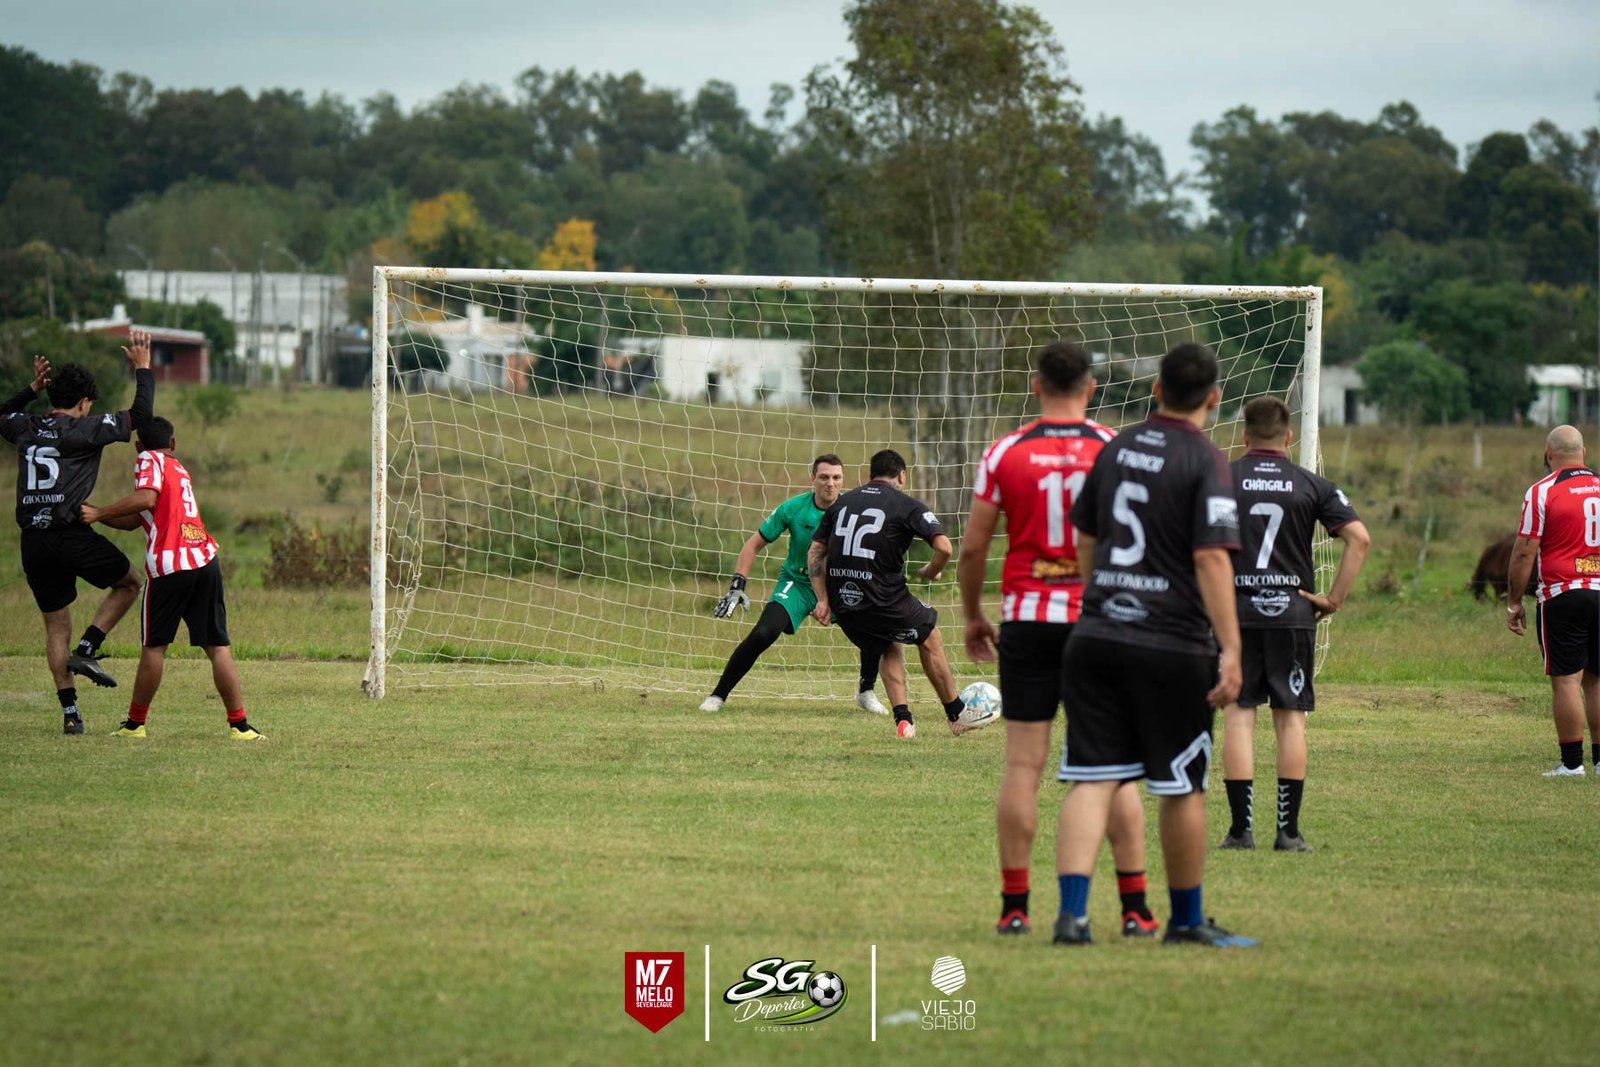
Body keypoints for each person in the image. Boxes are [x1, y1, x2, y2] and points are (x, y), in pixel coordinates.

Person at [1054, 342, 1255, 947]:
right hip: (1172, 642)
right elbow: (1211, 558)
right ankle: (1186, 921)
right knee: (1180, 784)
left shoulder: (1115, 447)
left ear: (1157, 389)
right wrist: (1232, 648)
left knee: (1092, 779)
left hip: (1097, 634)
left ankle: (1072, 918)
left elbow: (1085, 536)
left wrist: (1102, 596)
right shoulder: (1207, 459)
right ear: (1214, 398)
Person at [958, 340, 1158, 938]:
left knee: (1023, 764)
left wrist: (972, 615)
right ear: (1091, 388)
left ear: (1037, 386)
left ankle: (1014, 907)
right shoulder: (1114, 449)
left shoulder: (1006, 452)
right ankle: (1134, 908)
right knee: (1113, 767)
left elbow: (973, 547)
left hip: (1028, 620)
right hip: (1097, 622)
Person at [1219, 397, 1370, 852]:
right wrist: (1334, 599)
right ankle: (1287, 833)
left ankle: (1241, 831)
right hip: (1293, 612)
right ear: (1288, 437)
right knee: (1290, 721)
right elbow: (1359, 539)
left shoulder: (1222, 478)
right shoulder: (1312, 484)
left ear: (1245, 436)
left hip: (1237, 610)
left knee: (1238, 717)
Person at [1, 332, 155, 734]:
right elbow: (141, 414)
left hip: (33, 541)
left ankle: (71, 716)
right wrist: (142, 369)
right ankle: (87, 649)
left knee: (56, 625)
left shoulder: (26, 426)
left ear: (52, 396)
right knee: (129, 582)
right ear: (85, 403)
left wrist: (31, 389)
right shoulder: (86, 429)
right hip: (70, 533)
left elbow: (2, 413)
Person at [80, 416, 263, 741]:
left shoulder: (148, 459)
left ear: (138, 446)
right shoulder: (178, 469)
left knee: (154, 646)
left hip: (171, 565)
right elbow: (137, 518)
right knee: (217, 646)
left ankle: (135, 725)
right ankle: (241, 727)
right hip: (204, 557)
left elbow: (145, 499)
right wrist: (98, 516)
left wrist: (98, 512)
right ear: (173, 444)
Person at [807, 448, 997, 740]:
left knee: (888, 642)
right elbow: (945, 548)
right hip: (882, 600)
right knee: (930, 635)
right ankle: (957, 713)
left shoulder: (841, 504)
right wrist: (933, 569)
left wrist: (823, 598)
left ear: (870, 475)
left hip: (845, 604)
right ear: (902, 476)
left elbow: (815, 553)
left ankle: (904, 721)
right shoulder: (907, 505)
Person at [699, 454, 902, 713]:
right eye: (824, 477)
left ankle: (866, 691)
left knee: (875, 631)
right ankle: (718, 695)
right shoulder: (793, 508)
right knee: (763, 633)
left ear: (843, 481)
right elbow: (753, 544)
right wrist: (737, 586)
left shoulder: (853, 510)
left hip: (840, 586)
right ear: (812, 479)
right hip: (797, 583)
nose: (830, 483)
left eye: (836, 478)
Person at [1506, 424, 1600, 777]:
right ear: (1584, 453)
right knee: (1597, 680)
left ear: (1548, 454)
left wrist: (1515, 601)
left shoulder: (1542, 491)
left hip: (1563, 594)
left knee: (1567, 681)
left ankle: (1572, 764)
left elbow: (1524, 552)